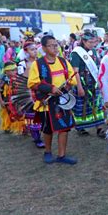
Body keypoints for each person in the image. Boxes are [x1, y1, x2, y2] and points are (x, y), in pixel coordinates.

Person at [27, 35, 78, 164]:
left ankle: (62, 155)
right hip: (46, 102)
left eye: (56, 45)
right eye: (51, 45)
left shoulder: (63, 61)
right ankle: (48, 152)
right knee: (48, 129)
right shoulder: (37, 64)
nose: (55, 48)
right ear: (44, 48)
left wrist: (68, 84)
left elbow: (72, 78)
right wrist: (51, 88)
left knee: (64, 128)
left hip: (62, 100)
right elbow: (32, 83)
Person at [70, 31, 106, 136]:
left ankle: (99, 128)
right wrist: (79, 87)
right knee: (82, 105)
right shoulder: (76, 53)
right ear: (83, 41)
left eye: (94, 42)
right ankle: (80, 127)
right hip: (82, 81)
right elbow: (75, 71)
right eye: (90, 42)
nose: (93, 44)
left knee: (97, 104)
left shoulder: (94, 51)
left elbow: (97, 67)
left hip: (93, 81)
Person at [16, 41, 45, 148]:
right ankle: (36, 138)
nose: (35, 51)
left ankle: (39, 134)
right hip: (28, 93)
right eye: (32, 49)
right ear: (26, 51)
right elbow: (20, 80)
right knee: (32, 116)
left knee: (42, 114)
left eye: (35, 49)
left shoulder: (41, 62)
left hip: (41, 92)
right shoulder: (22, 64)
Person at [0, 62, 25, 134]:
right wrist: (1, 102)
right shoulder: (3, 80)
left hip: (17, 100)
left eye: (15, 70)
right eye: (12, 70)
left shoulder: (18, 78)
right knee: (9, 114)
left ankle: (22, 127)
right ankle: (8, 126)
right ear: (6, 71)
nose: (15, 72)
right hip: (7, 101)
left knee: (20, 113)